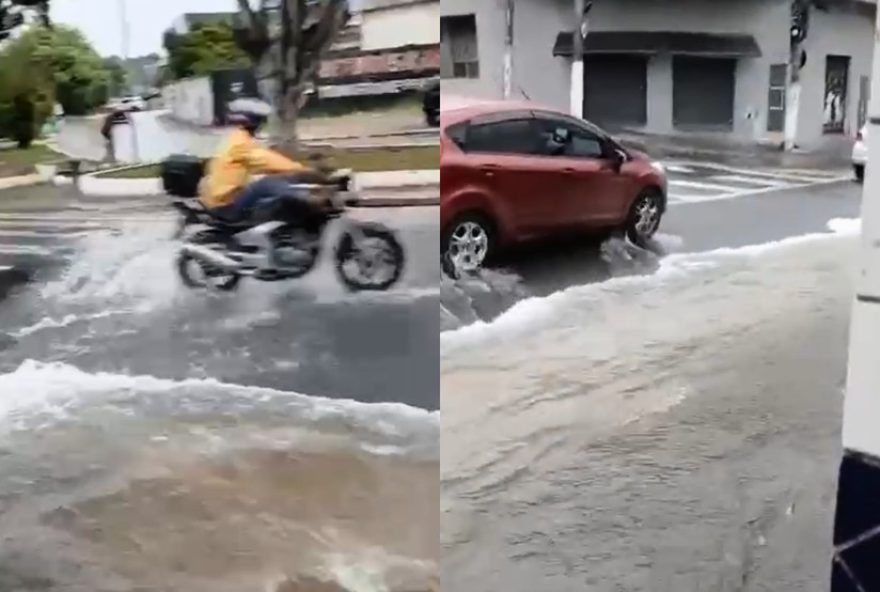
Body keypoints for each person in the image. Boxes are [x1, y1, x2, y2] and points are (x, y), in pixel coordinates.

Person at [198, 97, 329, 221]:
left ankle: (309, 188)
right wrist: (303, 170)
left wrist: (296, 172)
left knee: (275, 179)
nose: (261, 124)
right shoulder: (240, 143)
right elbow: (267, 160)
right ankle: (308, 199)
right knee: (267, 183)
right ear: (253, 121)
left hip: (218, 200)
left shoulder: (230, 138)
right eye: (260, 120)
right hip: (227, 206)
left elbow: (260, 163)